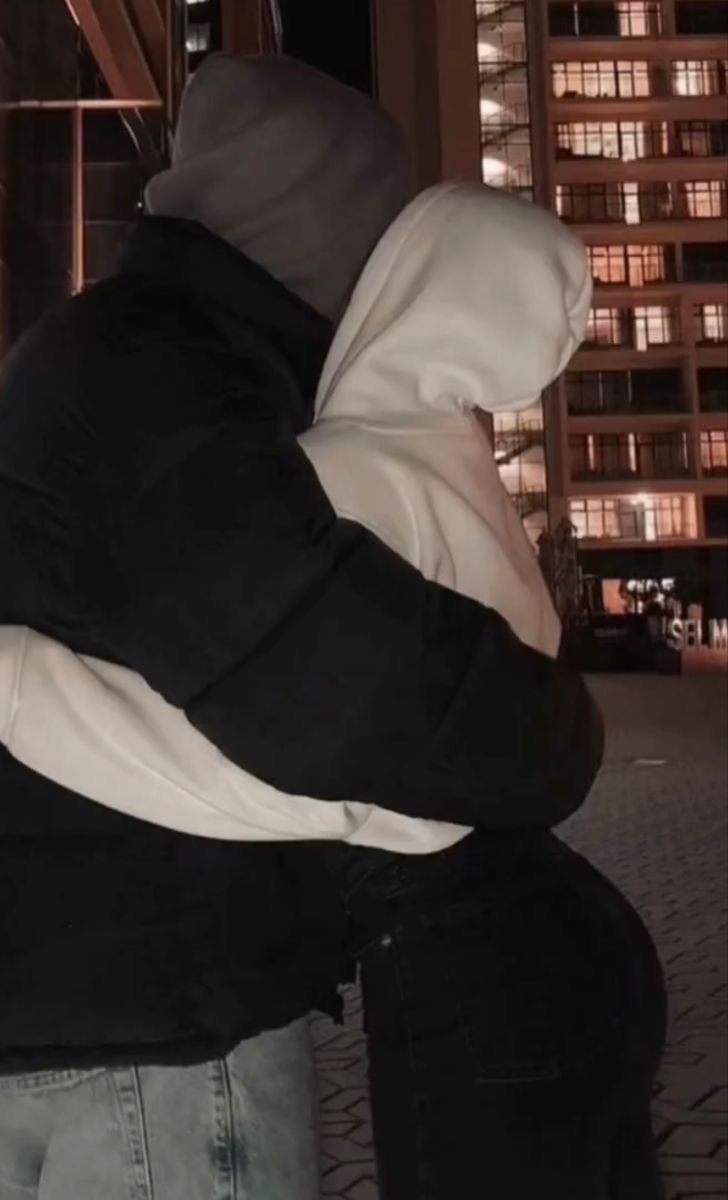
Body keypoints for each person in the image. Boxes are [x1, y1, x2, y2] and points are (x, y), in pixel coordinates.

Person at [0, 56, 600, 1198]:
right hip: (156, 1026)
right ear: (323, 215)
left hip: (101, 1003)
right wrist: (560, 731)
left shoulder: (132, 354)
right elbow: (326, 687)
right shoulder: (167, 371)